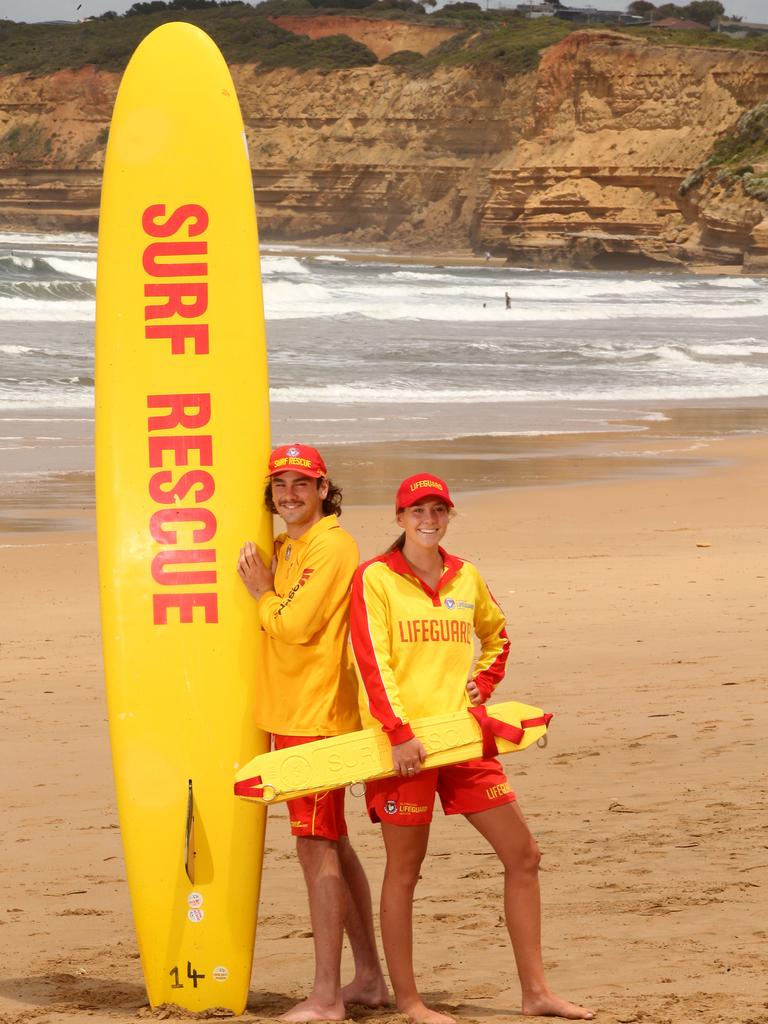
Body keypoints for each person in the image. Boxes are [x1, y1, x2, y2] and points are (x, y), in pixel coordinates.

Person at [349, 473, 594, 1023]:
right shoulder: (375, 578)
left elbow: (498, 633)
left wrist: (483, 684)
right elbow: (371, 662)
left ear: (449, 515)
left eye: (438, 510)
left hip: (463, 737)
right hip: (403, 747)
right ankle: (410, 1002)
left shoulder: (467, 576)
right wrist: (398, 733)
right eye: (418, 510)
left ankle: (536, 993)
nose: (428, 519)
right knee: (404, 870)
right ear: (400, 518)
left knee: (523, 854)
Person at [237, 443, 388, 1022]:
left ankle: (327, 999)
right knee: (332, 842)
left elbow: (294, 624)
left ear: (324, 489)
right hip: (292, 713)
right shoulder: (292, 545)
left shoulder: (332, 545)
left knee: (315, 846)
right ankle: (369, 979)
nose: (289, 494)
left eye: (302, 483)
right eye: (280, 484)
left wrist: (262, 594)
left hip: (316, 718)